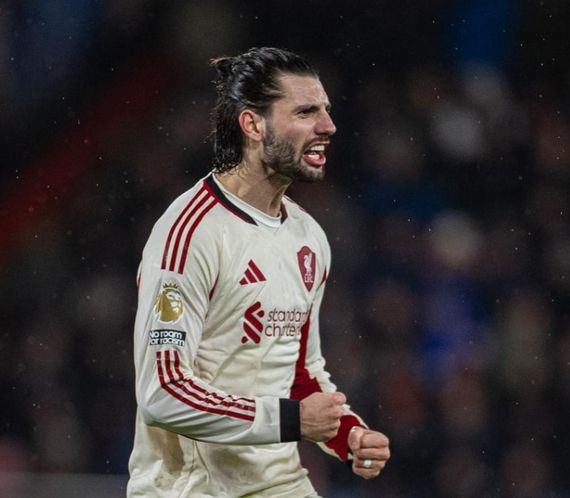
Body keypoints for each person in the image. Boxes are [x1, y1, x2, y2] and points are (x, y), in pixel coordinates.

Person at [127, 47, 390, 497]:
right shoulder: (190, 234)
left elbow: (299, 372)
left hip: (280, 483)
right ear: (253, 125)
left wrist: (347, 434)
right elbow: (162, 393)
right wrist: (291, 420)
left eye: (325, 110)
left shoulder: (308, 237)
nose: (328, 126)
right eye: (305, 112)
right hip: (192, 488)